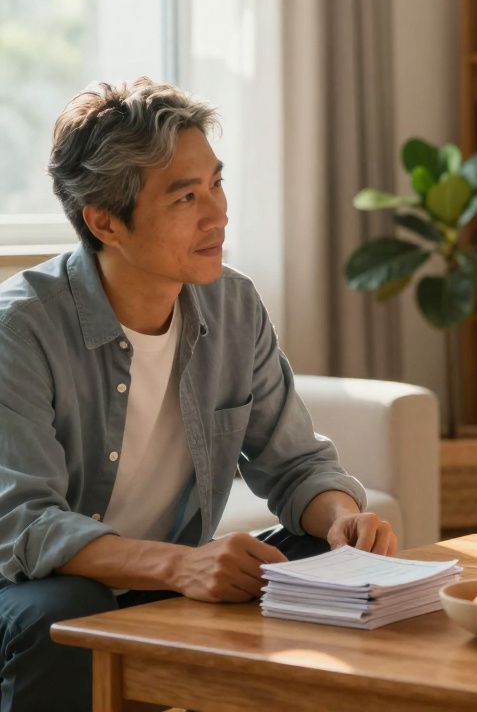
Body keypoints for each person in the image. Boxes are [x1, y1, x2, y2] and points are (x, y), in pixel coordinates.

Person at [0, 78, 397, 711]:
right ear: (105, 222)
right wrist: (180, 566)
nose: (218, 213)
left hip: (170, 573)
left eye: (216, 183)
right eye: (186, 197)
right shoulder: (20, 328)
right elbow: (24, 526)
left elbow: (295, 465)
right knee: (66, 613)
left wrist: (339, 518)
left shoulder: (232, 304)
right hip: (35, 585)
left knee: (322, 556)